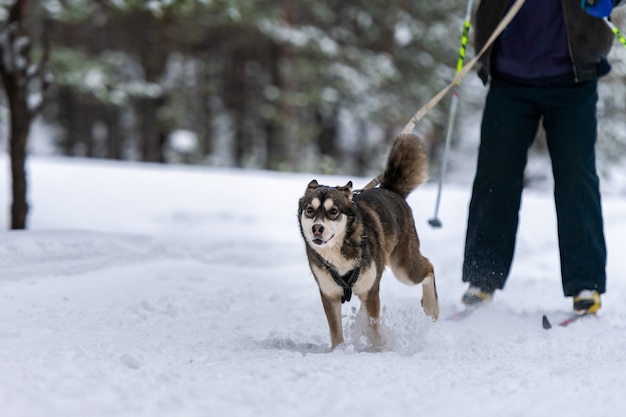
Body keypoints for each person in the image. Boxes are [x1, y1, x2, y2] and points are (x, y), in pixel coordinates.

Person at [461, 0, 623, 314]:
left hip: (574, 76)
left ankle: (585, 282)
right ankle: (483, 277)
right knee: (495, 177)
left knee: (577, 178)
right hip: (509, 77)